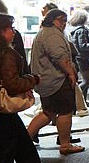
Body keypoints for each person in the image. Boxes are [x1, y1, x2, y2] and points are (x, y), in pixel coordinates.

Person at [0, 13, 57, 163]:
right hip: (2, 113)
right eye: (9, 28)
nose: (13, 31)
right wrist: (33, 79)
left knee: (16, 153)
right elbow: (12, 84)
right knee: (6, 158)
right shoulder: (5, 53)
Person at [26, 9, 84, 155]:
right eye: (60, 20)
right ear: (51, 20)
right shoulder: (52, 34)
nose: (63, 23)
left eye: (65, 20)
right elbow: (59, 57)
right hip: (56, 79)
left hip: (45, 80)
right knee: (65, 111)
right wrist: (71, 73)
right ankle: (65, 145)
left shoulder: (44, 32)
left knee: (48, 112)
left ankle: (24, 139)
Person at [69, 10, 89, 105]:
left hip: (78, 58)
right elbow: (83, 46)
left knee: (84, 80)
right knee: (87, 80)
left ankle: (81, 101)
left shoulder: (74, 30)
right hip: (82, 58)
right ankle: (79, 101)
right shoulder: (82, 31)